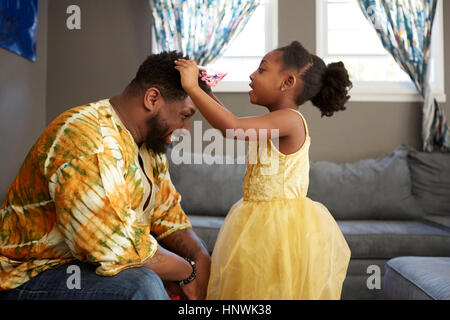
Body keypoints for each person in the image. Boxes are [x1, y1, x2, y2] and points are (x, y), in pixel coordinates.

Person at [0, 51, 212, 300]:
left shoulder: (150, 146)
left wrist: (201, 257)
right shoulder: (88, 139)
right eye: (185, 116)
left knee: (175, 265)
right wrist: (187, 272)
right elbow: (115, 249)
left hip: (84, 264)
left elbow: (167, 214)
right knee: (141, 284)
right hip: (30, 274)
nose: (185, 130)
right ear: (152, 98)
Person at [174, 41, 352, 300]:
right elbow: (231, 120)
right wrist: (206, 92)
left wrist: (191, 87)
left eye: (261, 70)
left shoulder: (290, 120)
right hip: (255, 220)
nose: (252, 75)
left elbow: (232, 127)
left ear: (287, 82)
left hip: (278, 230)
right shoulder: (275, 121)